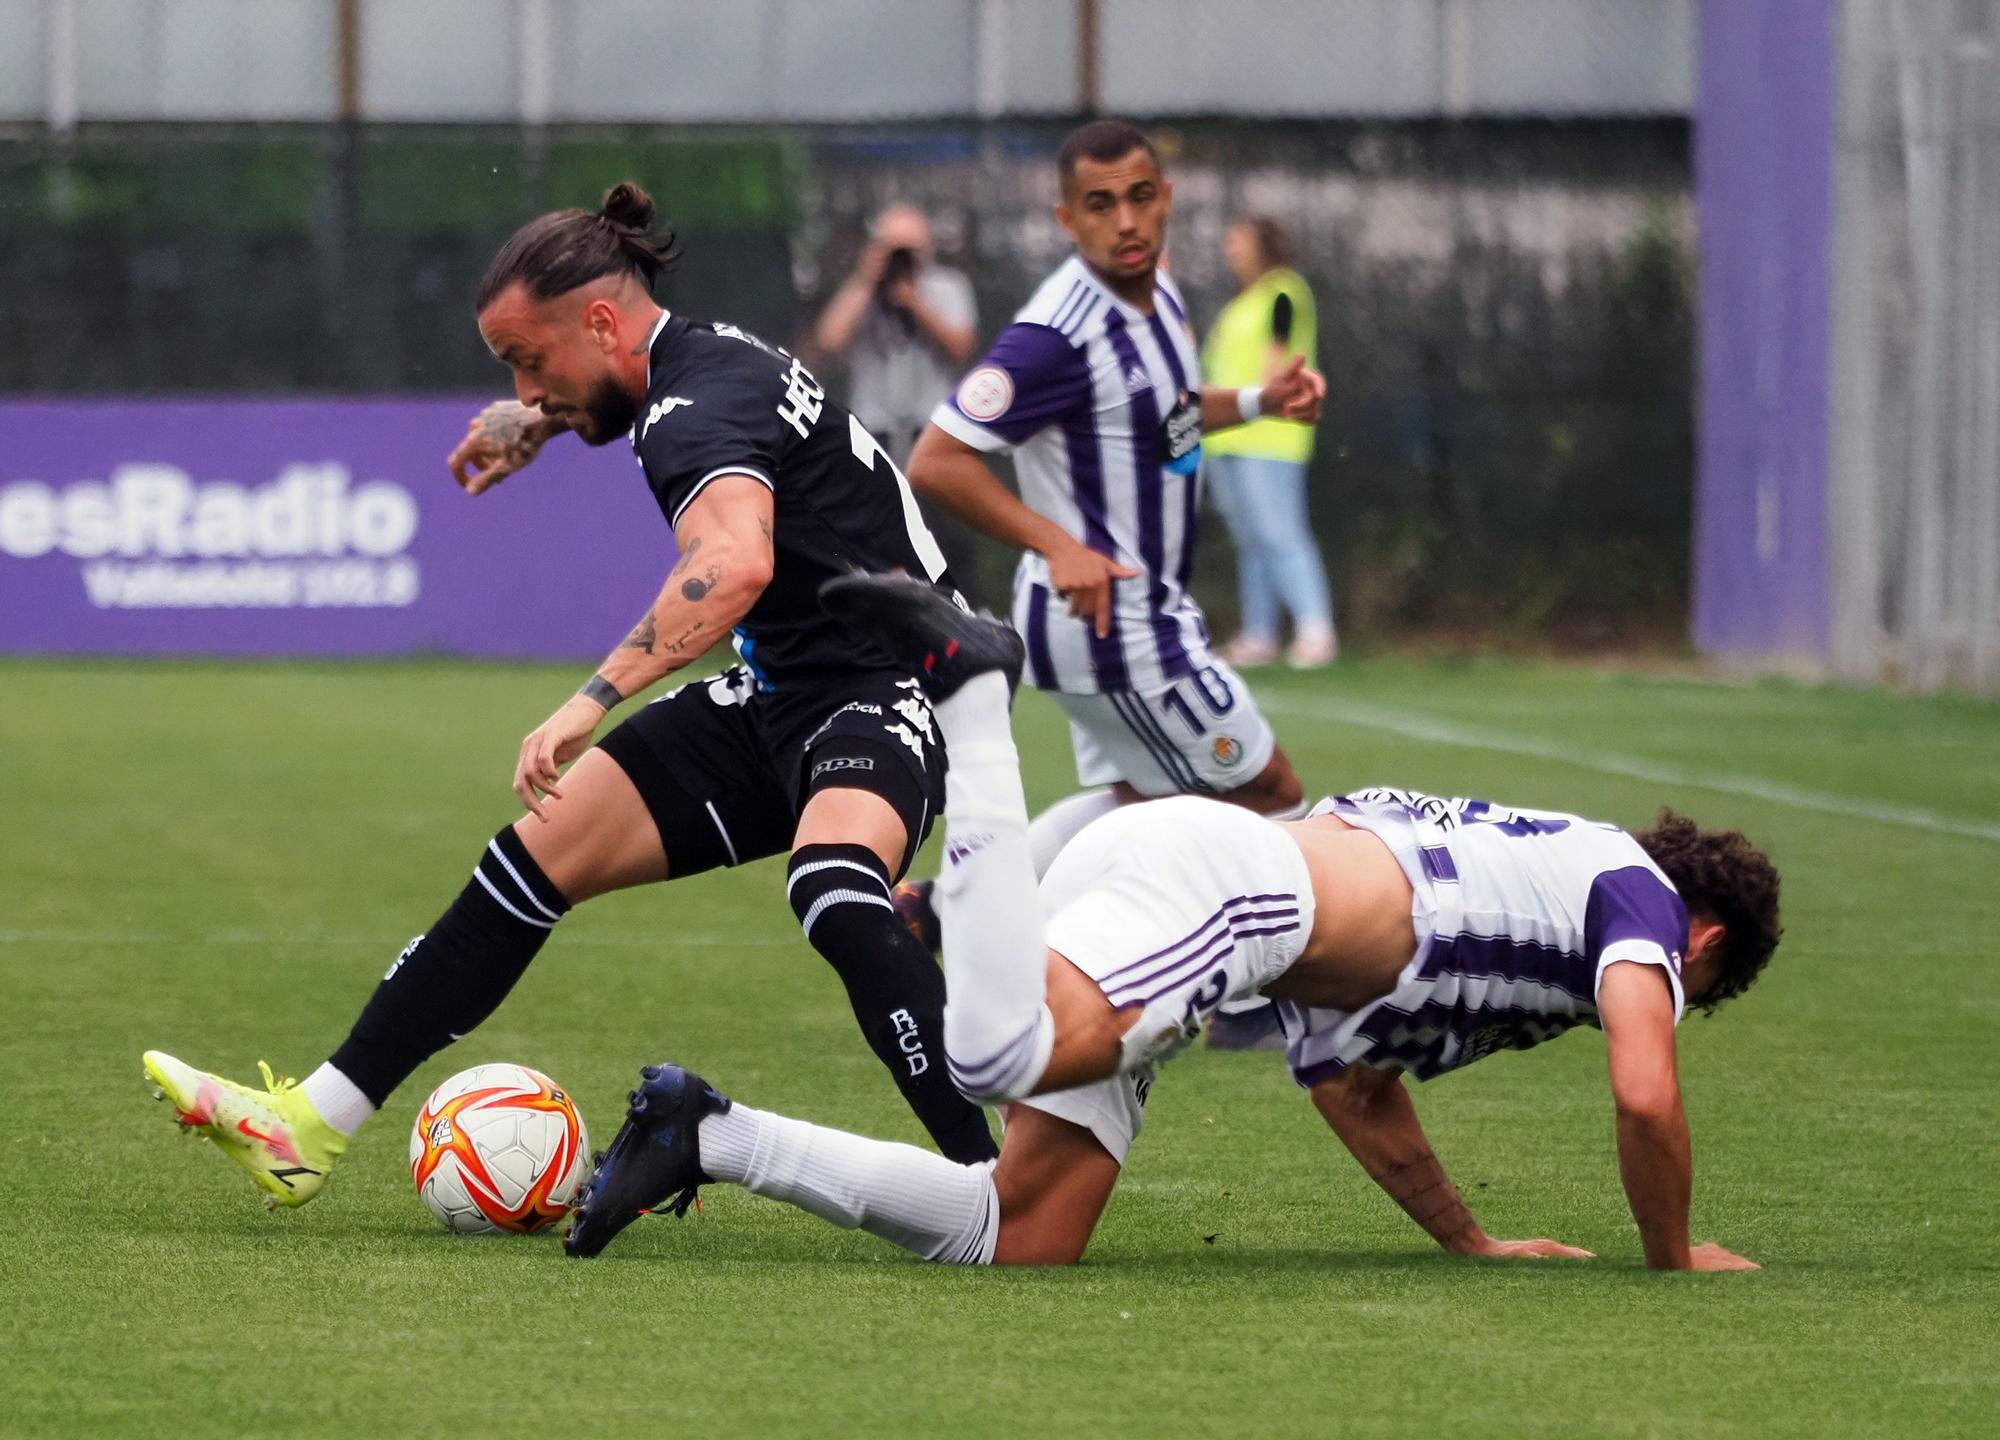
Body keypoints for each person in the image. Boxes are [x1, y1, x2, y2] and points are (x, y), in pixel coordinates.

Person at [140, 183, 999, 1210]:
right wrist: (538, 416)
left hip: (894, 682)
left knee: (832, 890)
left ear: (598, 321)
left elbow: (732, 568)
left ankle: (994, 1174)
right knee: (534, 857)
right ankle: (308, 1126)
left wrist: (592, 697)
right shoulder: (690, 361)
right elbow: (645, 411)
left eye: (529, 361)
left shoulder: (690, 409)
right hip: (784, 691)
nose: (518, 382)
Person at [563, 574, 1780, 1271]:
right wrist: (1671, 1256)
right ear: (1705, 944)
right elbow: (1641, 1089)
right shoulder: (1636, 898)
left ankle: (710, 1134)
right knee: (996, 1051)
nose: (1673, 1003)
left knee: (1020, 1231)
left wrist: (1470, 1242)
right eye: (1695, 993)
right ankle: (977, 700)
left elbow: (1356, 1091)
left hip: (1196, 876)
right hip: (1229, 888)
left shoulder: (1540, 886)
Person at [892, 121, 1326, 1048]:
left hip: (1134, 611)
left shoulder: (1158, 292)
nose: (1125, 221)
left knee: (1148, 805)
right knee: (1270, 789)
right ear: (1066, 218)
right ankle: (1257, 1005)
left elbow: (1162, 419)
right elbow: (936, 459)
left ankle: (942, 910)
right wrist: (1060, 543)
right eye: (1100, 205)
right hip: (1110, 618)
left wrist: (1258, 402)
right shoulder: (1057, 333)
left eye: (1140, 196)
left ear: (1165, 198)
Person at [812, 203, 986, 600]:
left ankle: (963, 613)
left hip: (935, 431)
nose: (902, 258)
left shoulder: (947, 286)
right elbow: (829, 340)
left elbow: (962, 345)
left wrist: (915, 301)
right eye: (894, 249)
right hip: (876, 432)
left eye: (910, 248)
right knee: (875, 532)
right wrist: (864, 280)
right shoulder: (862, 290)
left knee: (947, 536)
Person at [1203, 214, 1336, 669]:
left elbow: (1276, 353)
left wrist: (1267, 392)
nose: (1231, 248)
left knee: (1281, 532)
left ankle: (1316, 629)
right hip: (1226, 437)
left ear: (1263, 244)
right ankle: (1259, 635)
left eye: (1238, 239)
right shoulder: (1242, 300)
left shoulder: (1283, 289)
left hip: (1270, 436)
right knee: (1252, 539)